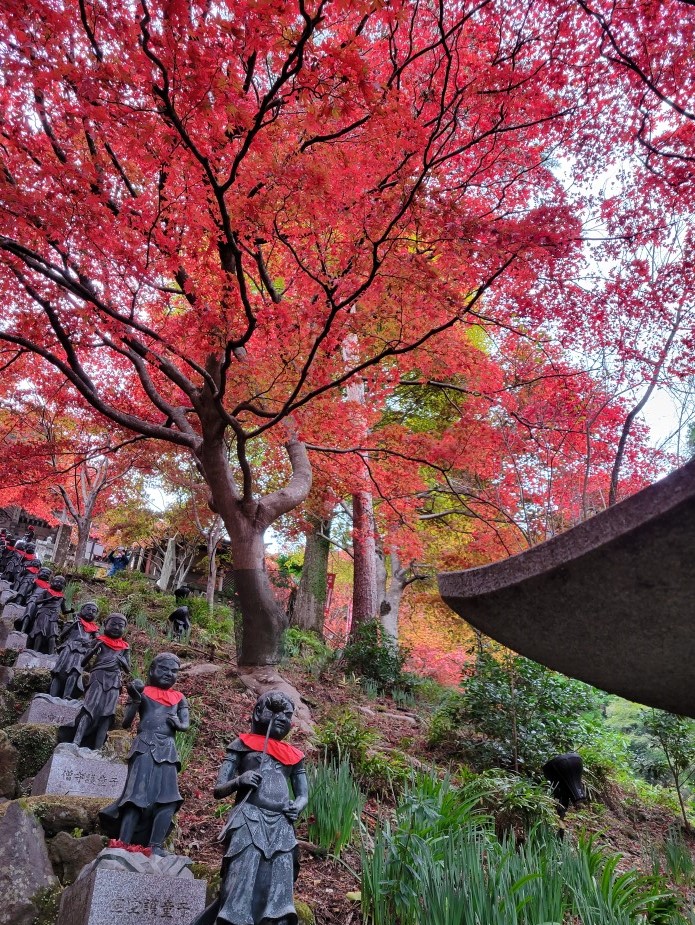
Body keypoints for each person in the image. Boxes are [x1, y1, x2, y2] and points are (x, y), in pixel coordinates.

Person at [193, 691, 308, 925]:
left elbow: (303, 794)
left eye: (287, 715)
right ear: (257, 713)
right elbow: (218, 790)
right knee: (242, 876)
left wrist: (297, 806)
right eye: (274, 712)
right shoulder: (242, 745)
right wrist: (239, 780)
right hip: (248, 819)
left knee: (279, 881)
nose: (281, 719)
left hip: (281, 826)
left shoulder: (294, 756)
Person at [99, 652, 189, 855]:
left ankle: (155, 845)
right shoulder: (145, 692)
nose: (169, 674)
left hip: (168, 749)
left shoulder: (179, 698)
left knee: (169, 797)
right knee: (136, 795)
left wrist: (180, 724)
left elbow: (185, 723)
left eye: (174, 671)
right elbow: (126, 722)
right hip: (144, 745)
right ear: (151, 671)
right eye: (163, 669)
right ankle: (123, 841)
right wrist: (135, 699)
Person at [71, 613, 130, 750]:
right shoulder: (100, 640)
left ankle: (97, 748)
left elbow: (128, 669)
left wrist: (123, 662)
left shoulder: (125, 647)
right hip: (98, 675)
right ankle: (76, 742)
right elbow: (84, 662)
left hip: (115, 680)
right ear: (105, 625)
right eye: (113, 624)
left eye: (120, 626)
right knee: (89, 707)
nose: (116, 627)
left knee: (108, 713)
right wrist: (92, 651)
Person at [49, 602, 100, 699]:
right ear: (82, 610)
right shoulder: (73, 622)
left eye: (94, 611)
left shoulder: (94, 629)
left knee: (75, 671)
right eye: (88, 609)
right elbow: (61, 636)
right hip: (69, 647)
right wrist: (73, 625)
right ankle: (52, 696)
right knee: (59, 672)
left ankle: (67, 695)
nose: (90, 612)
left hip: (82, 651)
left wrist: (91, 642)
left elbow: (98, 640)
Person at [25, 574, 71, 654]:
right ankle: (35, 651)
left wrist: (70, 611)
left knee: (53, 634)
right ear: (52, 582)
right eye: (57, 582)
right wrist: (50, 599)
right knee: (40, 631)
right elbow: (37, 602)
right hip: (44, 613)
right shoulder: (46, 591)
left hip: (54, 616)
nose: (58, 584)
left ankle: (50, 654)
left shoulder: (62, 597)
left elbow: (64, 611)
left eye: (61, 583)